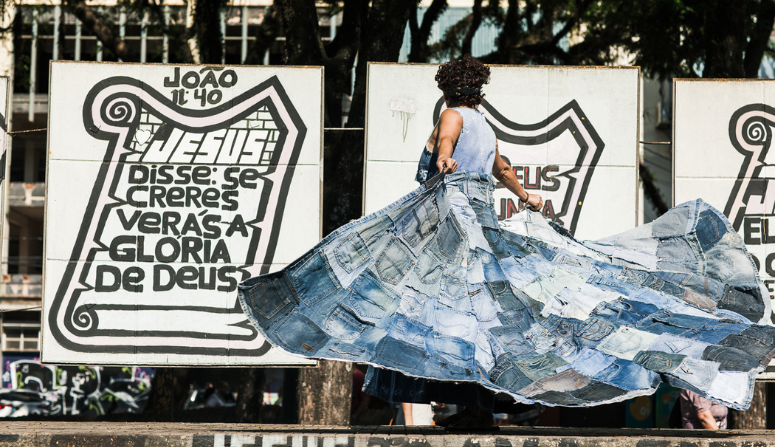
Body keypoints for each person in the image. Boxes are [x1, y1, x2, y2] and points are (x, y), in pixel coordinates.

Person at [238, 55, 773, 424]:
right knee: (477, 314)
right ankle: (470, 408)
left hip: (450, 218)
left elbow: (449, 147)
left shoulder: (452, 115)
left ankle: (457, 406)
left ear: (449, 89)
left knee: (409, 292)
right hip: (478, 216)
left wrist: (445, 160)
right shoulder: (487, 124)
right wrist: (529, 196)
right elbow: (501, 167)